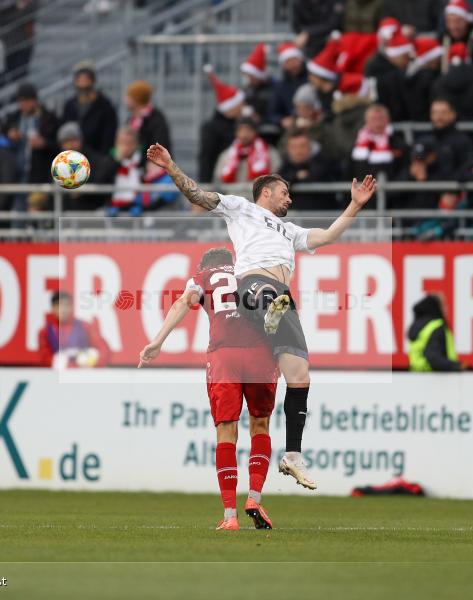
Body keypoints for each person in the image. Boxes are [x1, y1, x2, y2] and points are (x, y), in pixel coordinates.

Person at [145, 142, 379, 490]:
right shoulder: (241, 209)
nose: (289, 199)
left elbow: (328, 236)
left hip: (282, 298)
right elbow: (197, 195)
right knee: (268, 296)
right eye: (285, 193)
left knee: (299, 375)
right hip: (252, 283)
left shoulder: (290, 230)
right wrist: (169, 166)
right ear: (266, 192)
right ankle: (267, 311)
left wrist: (355, 205)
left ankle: (293, 455)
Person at [139, 248, 279, 531]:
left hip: (224, 355)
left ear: (204, 266)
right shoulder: (251, 272)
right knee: (260, 425)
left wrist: (158, 341)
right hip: (260, 354)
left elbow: (183, 302)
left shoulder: (202, 278)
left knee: (226, 430)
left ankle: (230, 516)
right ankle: (254, 498)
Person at [38, 291, 111, 368]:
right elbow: (44, 356)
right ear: (53, 308)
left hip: (84, 372)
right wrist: (54, 361)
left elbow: (103, 349)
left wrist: (93, 360)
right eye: (59, 305)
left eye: (66, 305)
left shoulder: (85, 327)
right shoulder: (45, 332)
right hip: (59, 373)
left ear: (72, 307)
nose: (63, 309)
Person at [3, 82, 58, 184]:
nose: (24, 104)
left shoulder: (49, 119)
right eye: (21, 101)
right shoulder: (12, 119)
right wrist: (9, 136)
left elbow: (58, 145)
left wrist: (44, 143)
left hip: (41, 176)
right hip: (16, 176)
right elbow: (1, 140)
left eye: (27, 100)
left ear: (35, 100)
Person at [199, 67, 247, 183]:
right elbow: (207, 159)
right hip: (219, 179)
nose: (243, 108)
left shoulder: (239, 123)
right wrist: (206, 185)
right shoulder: (211, 129)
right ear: (230, 107)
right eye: (240, 105)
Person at [60, 61, 118, 155]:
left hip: (97, 156)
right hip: (74, 156)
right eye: (80, 79)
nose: (83, 82)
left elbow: (109, 135)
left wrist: (103, 158)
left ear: (92, 81)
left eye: (86, 79)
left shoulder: (105, 106)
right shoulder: (69, 105)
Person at [56, 121, 115, 212]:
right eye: (66, 141)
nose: (71, 144)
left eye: (74, 140)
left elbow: (101, 180)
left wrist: (82, 188)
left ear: (81, 140)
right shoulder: (58, 163)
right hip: (67, 213)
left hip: (91, 211)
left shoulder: (96, 160)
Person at [278, 129, 339, 210]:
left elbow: (318, 176)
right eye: (293, 147)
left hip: (322, 212)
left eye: (302, 146)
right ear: (288, 149)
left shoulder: (323, 162)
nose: (298, 151)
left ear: (310, 147)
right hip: (294, 214)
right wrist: (296, 176)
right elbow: (278, 182)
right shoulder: (285, 167)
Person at [214, 117, 281, 186]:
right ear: (235, 133)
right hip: (232, 192)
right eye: (240, 130)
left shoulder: (269, 152)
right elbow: (219, 179)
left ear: (255, 131)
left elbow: (275, 176)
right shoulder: (226, 155)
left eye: (248, 130)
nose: (244, 134)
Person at [364, 30, 414, 122]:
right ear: (396, 55)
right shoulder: (392, 75)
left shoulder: (376, 67)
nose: (407, 63)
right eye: (405, 58)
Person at [351, 103, 408, 182]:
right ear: (367, 121)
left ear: (388, 120)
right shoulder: (357, 144)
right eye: (374, 119)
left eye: (381, 118)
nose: (378, 123)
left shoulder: (397, 143)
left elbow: (404, 167)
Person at [407, 294, 462, 372]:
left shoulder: (419, 326)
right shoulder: (436, 327)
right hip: (438, 376)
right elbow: (433, 357)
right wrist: (456, 366)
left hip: (417, 374)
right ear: (437, 307)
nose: (446, 309)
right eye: (444, 305)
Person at [441, 0, 473, 77]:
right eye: (449, 21)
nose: (453, 26)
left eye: (458, 21)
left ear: (466, 21)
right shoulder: (444, 39)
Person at [268, 42, 308, 129]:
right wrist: (281, 120)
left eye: (294, 60)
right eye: (288, 61)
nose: (292, 64)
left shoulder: (311, 81)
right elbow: (272, 113)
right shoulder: (280, 87)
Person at [124, 80, 171, 153]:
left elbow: (159, 144)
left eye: (129, 96)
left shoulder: (156, 120)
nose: (125, 99)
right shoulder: (131, 119)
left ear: (136, 98)